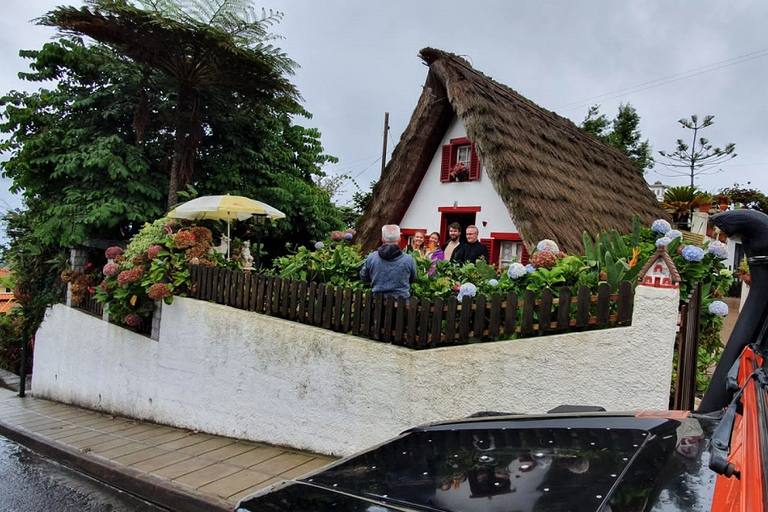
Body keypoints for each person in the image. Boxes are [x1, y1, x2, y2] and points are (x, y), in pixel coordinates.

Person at [360, 224, 417, 299]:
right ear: (399, 240)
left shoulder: (372, 257)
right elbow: (413, 278)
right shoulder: (408, 259)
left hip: (378, 303)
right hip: (401, 304)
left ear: (382, 239)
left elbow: (364, 277)